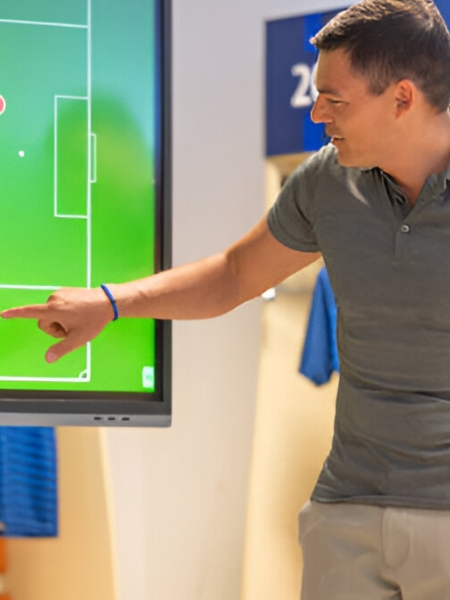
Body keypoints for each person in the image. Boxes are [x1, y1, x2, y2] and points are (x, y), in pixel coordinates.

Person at [3, 0, 450, 597]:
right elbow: (235, 274)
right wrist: (109, 303)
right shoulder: (326, 181)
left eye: (334, 99)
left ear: (402, 98)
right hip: (347, 511)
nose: (317, 112)